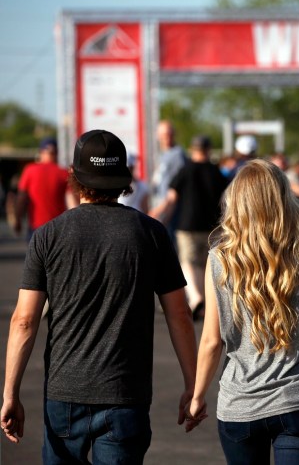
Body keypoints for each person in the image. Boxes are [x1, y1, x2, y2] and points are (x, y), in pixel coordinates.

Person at [1, 129, 197, 462]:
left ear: (74, 177)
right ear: (124, 178)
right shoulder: (151, 233)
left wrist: (10, 393)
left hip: (64, 394)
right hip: (126, 395)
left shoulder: (49, 235)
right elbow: (179, 314)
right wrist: (193, 386)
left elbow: (24, 320)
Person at [185, 159, 299, 464]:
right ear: (284, 200)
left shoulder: (220, 259)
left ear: (237, 203)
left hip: (240, 406)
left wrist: (197, 397)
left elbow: (211, 341)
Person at [150, 135, 228, 319]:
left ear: (193, 149)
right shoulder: (216, 172)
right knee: (206, 264)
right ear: (208, 150)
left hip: (187, 225)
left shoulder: (185, 170)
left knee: (188, 262)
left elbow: (171, 198)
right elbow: (225, 200)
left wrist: (157, 215)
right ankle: (203, 305)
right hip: (212, 226)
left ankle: (195, 297)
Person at [13, 138, 75, 239]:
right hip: (58, 228)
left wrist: (18, 220)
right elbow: (71, 203)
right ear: (57, 153)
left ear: (41, 153)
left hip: (36, 227)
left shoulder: (29, 170)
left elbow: (21, 198)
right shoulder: (64, 173)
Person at [151, 120, 186, 242]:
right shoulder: (163, 154)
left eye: (170, 134)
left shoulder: (177, 155)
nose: (167, 138)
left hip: (171, 210)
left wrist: (160, 209)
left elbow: (176, 189)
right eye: (164, 135)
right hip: (162, 206)